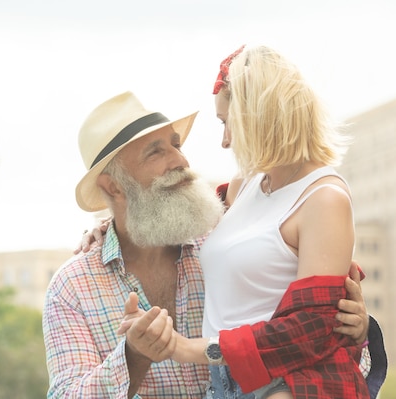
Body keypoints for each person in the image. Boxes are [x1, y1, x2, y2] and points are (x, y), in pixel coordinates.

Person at [42, 91, 370, 399]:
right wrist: (133, 356)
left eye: (176, 144)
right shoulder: (71, 287)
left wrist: (352, 329)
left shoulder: (223, 242)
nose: (180, 160)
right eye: (156, 152)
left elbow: (305, 335)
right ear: (112, 186)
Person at [117, 45, 385, 399]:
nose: (225, 141)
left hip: (288, 385)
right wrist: (111, 227)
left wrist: (187, 349)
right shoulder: (244, 187)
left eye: (228, 123)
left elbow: (309, 330)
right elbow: (172, 209)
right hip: (224, 385)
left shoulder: (324, 198)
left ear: (261, 117)